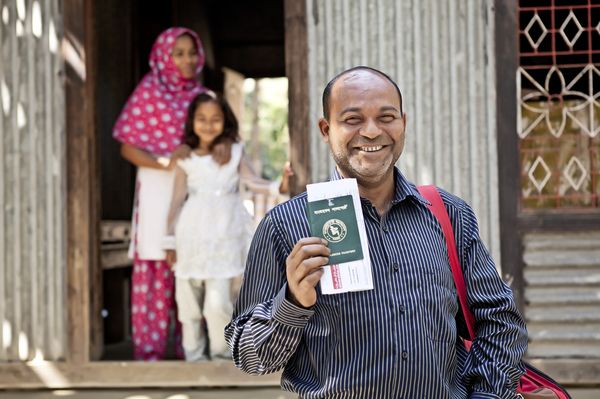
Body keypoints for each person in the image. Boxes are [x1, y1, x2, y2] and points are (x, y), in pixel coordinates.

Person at [225, 66, 528, 398]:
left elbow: (500, 321)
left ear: (403, 123)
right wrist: (294, 302)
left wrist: (487, 395)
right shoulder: (286, 225)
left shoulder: (448, 214)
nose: (371, 132)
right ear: (326, 129)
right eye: (352, 119)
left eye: (386, 117)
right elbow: (248, 356)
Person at [112, 27, 230, 361]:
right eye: (178, 53)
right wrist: (165, 163)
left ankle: (190, 352)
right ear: (163, 57)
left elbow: (222, 133)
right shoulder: (148, 93)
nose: (187, 60)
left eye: (192, 52)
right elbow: (126, 148)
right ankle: (149, 354)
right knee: (155, 265)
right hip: (156, 189)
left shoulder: (203, 97)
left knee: (192, 267)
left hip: (197, 192)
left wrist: (220, 143)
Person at [163, 93, 292, 361]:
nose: (208, 125)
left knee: (218, 304)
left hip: (223, 236)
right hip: (191, 237)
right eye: (201, 119)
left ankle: (221, 358)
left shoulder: (233, 152)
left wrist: (277, 186)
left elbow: (252, 181)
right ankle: (193, 359)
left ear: (225, 122)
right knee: (187, 306)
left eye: (215, 119)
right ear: (191, 122)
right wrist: (169, 241)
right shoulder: (184, 157)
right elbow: (175, 201)